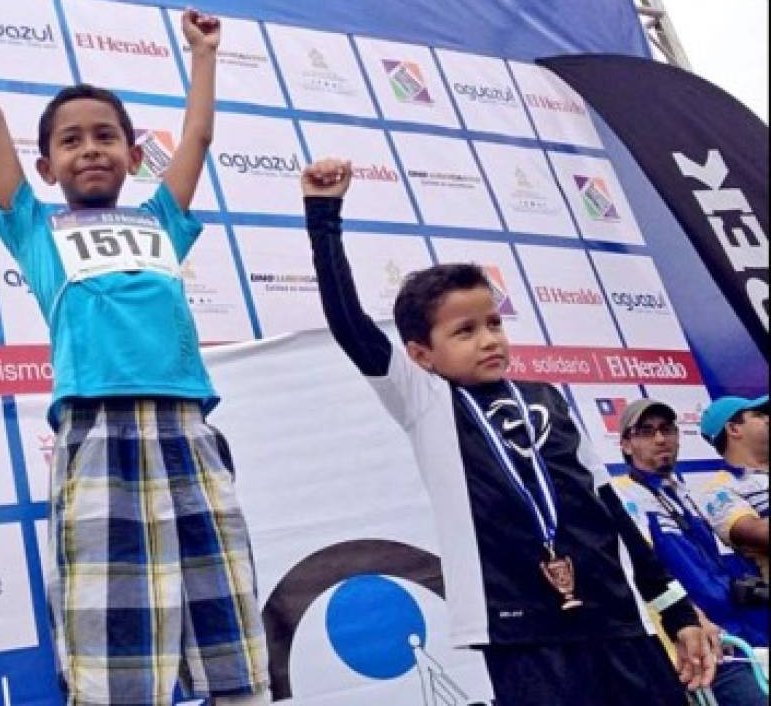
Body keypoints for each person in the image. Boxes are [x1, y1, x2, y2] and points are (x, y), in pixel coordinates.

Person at [0, 0, 269, 705]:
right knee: (112, 635)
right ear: (47, 166)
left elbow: (197, 134)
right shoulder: (36, 229)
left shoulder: (161, 221)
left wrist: (203, 56)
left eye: (107, 136)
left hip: (187, 429)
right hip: (94, 432)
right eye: (70, 141)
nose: (91, 149)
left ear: (136, 157)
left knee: (223, 610)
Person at [301, 156, 714, 706]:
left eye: (494, 323)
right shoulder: (427, 400)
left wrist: (675, 609)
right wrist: (324, 215)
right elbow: (349, 323)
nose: (489, 339)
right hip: (522, 629)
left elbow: (610, 510)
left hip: (616, 616)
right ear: (421, 354)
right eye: (465, 331)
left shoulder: (549, 400)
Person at [612, 398, 767, 705]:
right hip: (700, 647)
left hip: (739, 634)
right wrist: (689, 617)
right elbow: (643, 572)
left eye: (667, 429)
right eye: (646, 431)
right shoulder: (622, 494)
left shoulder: (682, 493)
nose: (660, 439)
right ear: (627, 445)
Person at [696, 395, 769, 581]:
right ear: (734, 429)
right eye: (760, 415)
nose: (768, 419)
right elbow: (761, 532)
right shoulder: (716, 489)